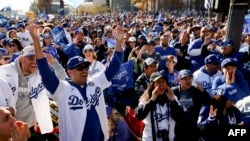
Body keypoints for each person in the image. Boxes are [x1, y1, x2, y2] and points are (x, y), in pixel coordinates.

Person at [31, 23, 124, 141]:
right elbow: (45, 72)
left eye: (86, 67)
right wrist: (35, 40)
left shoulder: (95, 81)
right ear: (70, 72)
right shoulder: (62, 89)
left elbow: (115, 65)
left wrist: (119, 41)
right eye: (79, 68)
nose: (84, 70)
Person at [0, 45, 68, 139]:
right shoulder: (4, 71)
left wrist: (53, 63)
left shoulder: (41, 73)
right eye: (31, 58)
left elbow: (65, 85)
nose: (35, 61)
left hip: (31, 126)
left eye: (37, 58)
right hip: (9, 129)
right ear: (21, 59)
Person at [135, 71, 182, 141]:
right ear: (152, 84)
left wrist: (173, 102)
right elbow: (138, 115)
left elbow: (180, 117)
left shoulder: (172, 97)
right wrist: (151, 101)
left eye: (163, 81)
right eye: (158, 82)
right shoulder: (146, 99)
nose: (162, 85)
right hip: (150, 138)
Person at [171, 69, 211, 141]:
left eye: (190, 78)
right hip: (177, 129)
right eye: (185, 78)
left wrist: (203, 91)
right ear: (180, 80)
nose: (188, 80)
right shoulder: (173, 91)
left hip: (192, 129)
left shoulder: (196, 91)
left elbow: (208, 101)